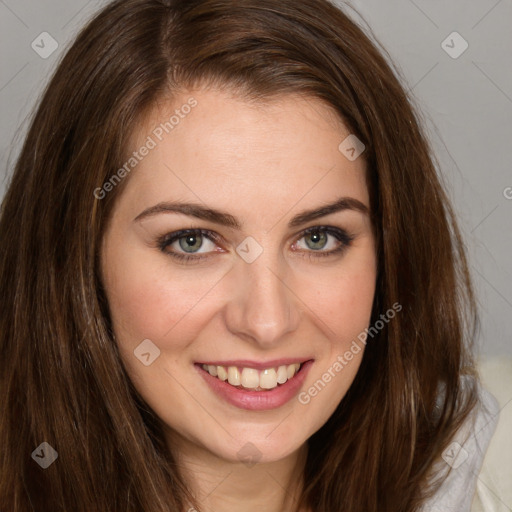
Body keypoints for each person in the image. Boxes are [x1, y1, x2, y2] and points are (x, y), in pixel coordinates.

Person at [0, 0, 499, 511]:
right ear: (77, 259)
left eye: (319, 237)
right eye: (191, 241)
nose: (267, 322)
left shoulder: (450, 485)